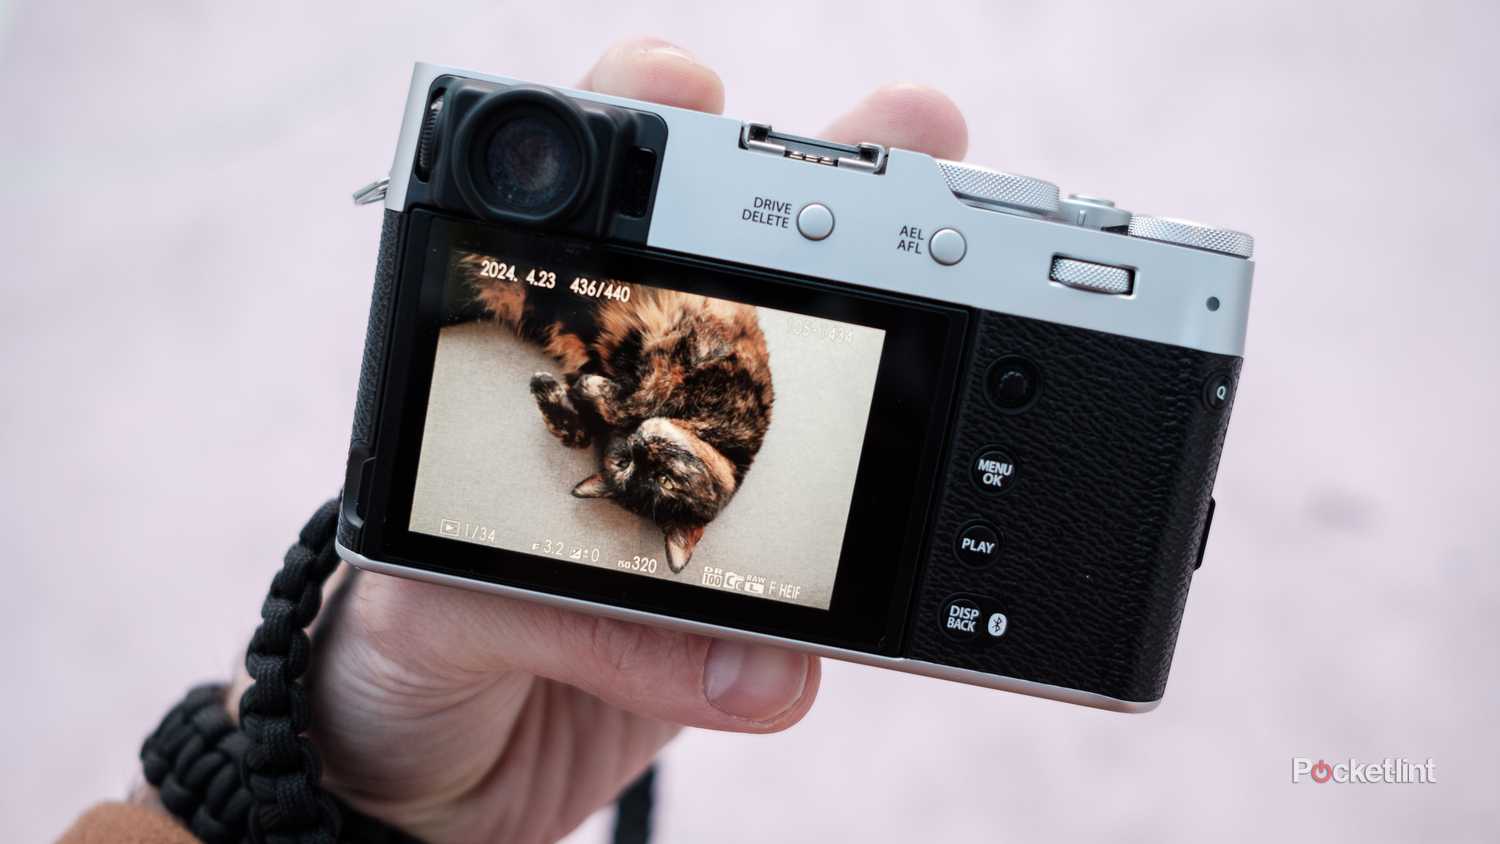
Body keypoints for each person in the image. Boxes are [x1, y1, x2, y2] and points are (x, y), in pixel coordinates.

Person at [59, 37, 969, 844]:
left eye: (632, 464)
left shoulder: (657, 464)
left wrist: (321, 797)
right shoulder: (735, 432)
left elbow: (631, 431)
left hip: (604, 338)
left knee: (520, 291)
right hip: (645, 336)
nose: (650, 454)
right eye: (662, 468)